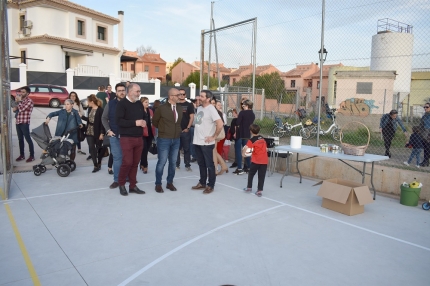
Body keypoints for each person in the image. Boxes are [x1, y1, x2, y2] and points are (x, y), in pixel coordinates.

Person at [115, 83, 146, 196]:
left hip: (139, 138)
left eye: (139, 91)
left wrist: (145, 121)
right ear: (130, 91)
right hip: (126, 138)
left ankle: (132, 186)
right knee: (127, 162)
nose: (139, 93)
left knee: (135, 163)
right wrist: (135, 123)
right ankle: (121, 184)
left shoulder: (138, 103)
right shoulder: (122, 104)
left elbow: (144, 116)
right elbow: (119, 121)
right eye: (137, 91)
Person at [191, 90, 223, 194]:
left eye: (202, 96)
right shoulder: (199, 108)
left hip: (207, 143)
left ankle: (211, 185)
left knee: (209, 165)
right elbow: (198, 123)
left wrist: (214, 136)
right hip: (197, 141)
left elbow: (220, 123)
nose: (199, 98)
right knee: (201, 164)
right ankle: (202, 182)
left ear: (208, 99)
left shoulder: (211, 109)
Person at [152, 88, 182, 193]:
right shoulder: (161, 108)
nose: (180, 96)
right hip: (164, 139)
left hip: (176, 139)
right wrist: (164, 130)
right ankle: (158, 184)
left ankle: (170, 183)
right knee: (162, 162)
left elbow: (179, 123)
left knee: (173, 162)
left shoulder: (179, 108)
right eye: (178, 95)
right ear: (171, 96)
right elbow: (155, 122)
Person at [102, 83, 126, 189]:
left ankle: (127, 177)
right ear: (116, 92)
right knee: (117, 158)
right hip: (114, 136)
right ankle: (117, 180)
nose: (121, 92)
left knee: (127, 159)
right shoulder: (110, 104)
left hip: (127, 136)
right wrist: (108, 130)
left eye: (123, 90)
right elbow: (104, 118)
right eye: (119, 90)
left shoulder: (131, 103)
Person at [81, 95, 106, 173]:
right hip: (89, 130)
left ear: (91, 102)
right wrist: (81, 117)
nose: (87, 103)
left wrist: (102, 133)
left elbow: (102, 122)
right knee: (91, 147)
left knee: (99, 148)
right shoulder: (89, 109)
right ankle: (95, 165)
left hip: (98, 131)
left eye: (88, 101)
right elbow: (89, 120)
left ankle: (99, 162)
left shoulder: (100, 110)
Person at [242, 124, 268, 197]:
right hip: (264, 161)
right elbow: (266, 149)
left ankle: (249, 187)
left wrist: (243, 154)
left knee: (251, 174)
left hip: (256, 160)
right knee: (261, 176)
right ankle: (259, 191)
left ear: (250, 131)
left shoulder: (251, 140)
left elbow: (246, 149)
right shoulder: (262, 138)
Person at [13, 86, 35, 162]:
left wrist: (19, 102)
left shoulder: (29, 101)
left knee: (28, 139)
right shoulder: (21, 100)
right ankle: (22, 155)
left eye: (23, 92)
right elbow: (16, 109)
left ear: (27, 93)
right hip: (18, 121)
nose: (21, 94)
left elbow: (22, 109)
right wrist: (15, 105)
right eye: (21, 92)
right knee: (20, 139)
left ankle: (32, 156)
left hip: (24, 122)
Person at [234, 99, 255, 174]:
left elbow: (237, 122)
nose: (242, 107)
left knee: (238, 151)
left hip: (240, 134)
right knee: (246, 151)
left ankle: (239, 168)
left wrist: (237, 117)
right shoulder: (252, 114)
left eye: (244, 105)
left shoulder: (242, 113)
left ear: (247, 106)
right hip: (247, 134)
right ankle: (248, 167)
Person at [176, 88, 195, 171]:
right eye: (180, 94)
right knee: (176, 149)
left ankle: (187, 165)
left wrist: (188, 128)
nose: (182, 96)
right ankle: (177, 165)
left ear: (185, 95)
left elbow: (192, 117)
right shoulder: (175, 104)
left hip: (185, 131)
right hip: (176, 131)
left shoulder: (189, 105)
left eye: (183, 94)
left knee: (186, 149)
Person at [140, 96, 156, 174]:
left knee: (146, 150)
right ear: (141, 103)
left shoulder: (150, 111)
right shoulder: (139, 111)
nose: (147, 103)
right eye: (145, 102)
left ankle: (142, 163)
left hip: (150, 132)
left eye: (148, 102)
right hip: (142, 133)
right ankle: (145, 166)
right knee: (144, 149)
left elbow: (153, 121)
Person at [213, 100, 228, 175]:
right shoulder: (220, 113)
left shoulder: (216, 113)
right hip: (217, 134)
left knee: (213, 151)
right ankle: (223, 166)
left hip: (214, 134)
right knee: (214, 151)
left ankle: (216, 169)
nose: (220, 106)